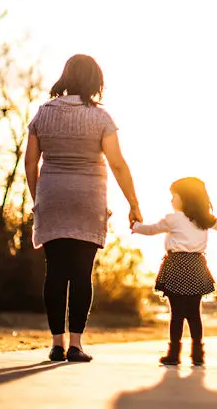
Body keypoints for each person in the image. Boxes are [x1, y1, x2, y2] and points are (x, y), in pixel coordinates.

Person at [25, 54, 142, 363]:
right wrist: (133, 203)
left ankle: (56, 343)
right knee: (81, 273)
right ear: (95, 81)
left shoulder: (42, 114)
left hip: (52, 197)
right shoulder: (101, 118)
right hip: (88, 200)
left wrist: (38, 198)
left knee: (55, 273)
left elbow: (30, 162)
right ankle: (76, 344)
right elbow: (117, 163)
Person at [132, 177, 217, 366]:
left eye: (173, 196)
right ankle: (198, 354)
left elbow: (151, 230)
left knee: (176, 314)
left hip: (176, 266)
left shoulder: (173, 218)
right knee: (194, 313)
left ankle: (174, 354)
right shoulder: (204, 219)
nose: (171, 200)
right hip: (196, 267)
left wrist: (135, 226)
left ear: (184, 197)